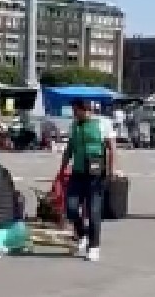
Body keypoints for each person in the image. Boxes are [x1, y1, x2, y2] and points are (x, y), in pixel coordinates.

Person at [59, 98, 116, 262]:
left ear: (85, 110)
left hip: (96, 174)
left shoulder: (102, 124)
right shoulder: (74, 125)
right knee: (70, 207)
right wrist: (62, 168)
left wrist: (111, 170)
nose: (74, 114)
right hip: (78, 172)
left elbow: (111, 148)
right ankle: (82, 233)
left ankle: (94, 246)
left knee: (93, 211)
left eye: (76, 111)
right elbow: (69, 148)